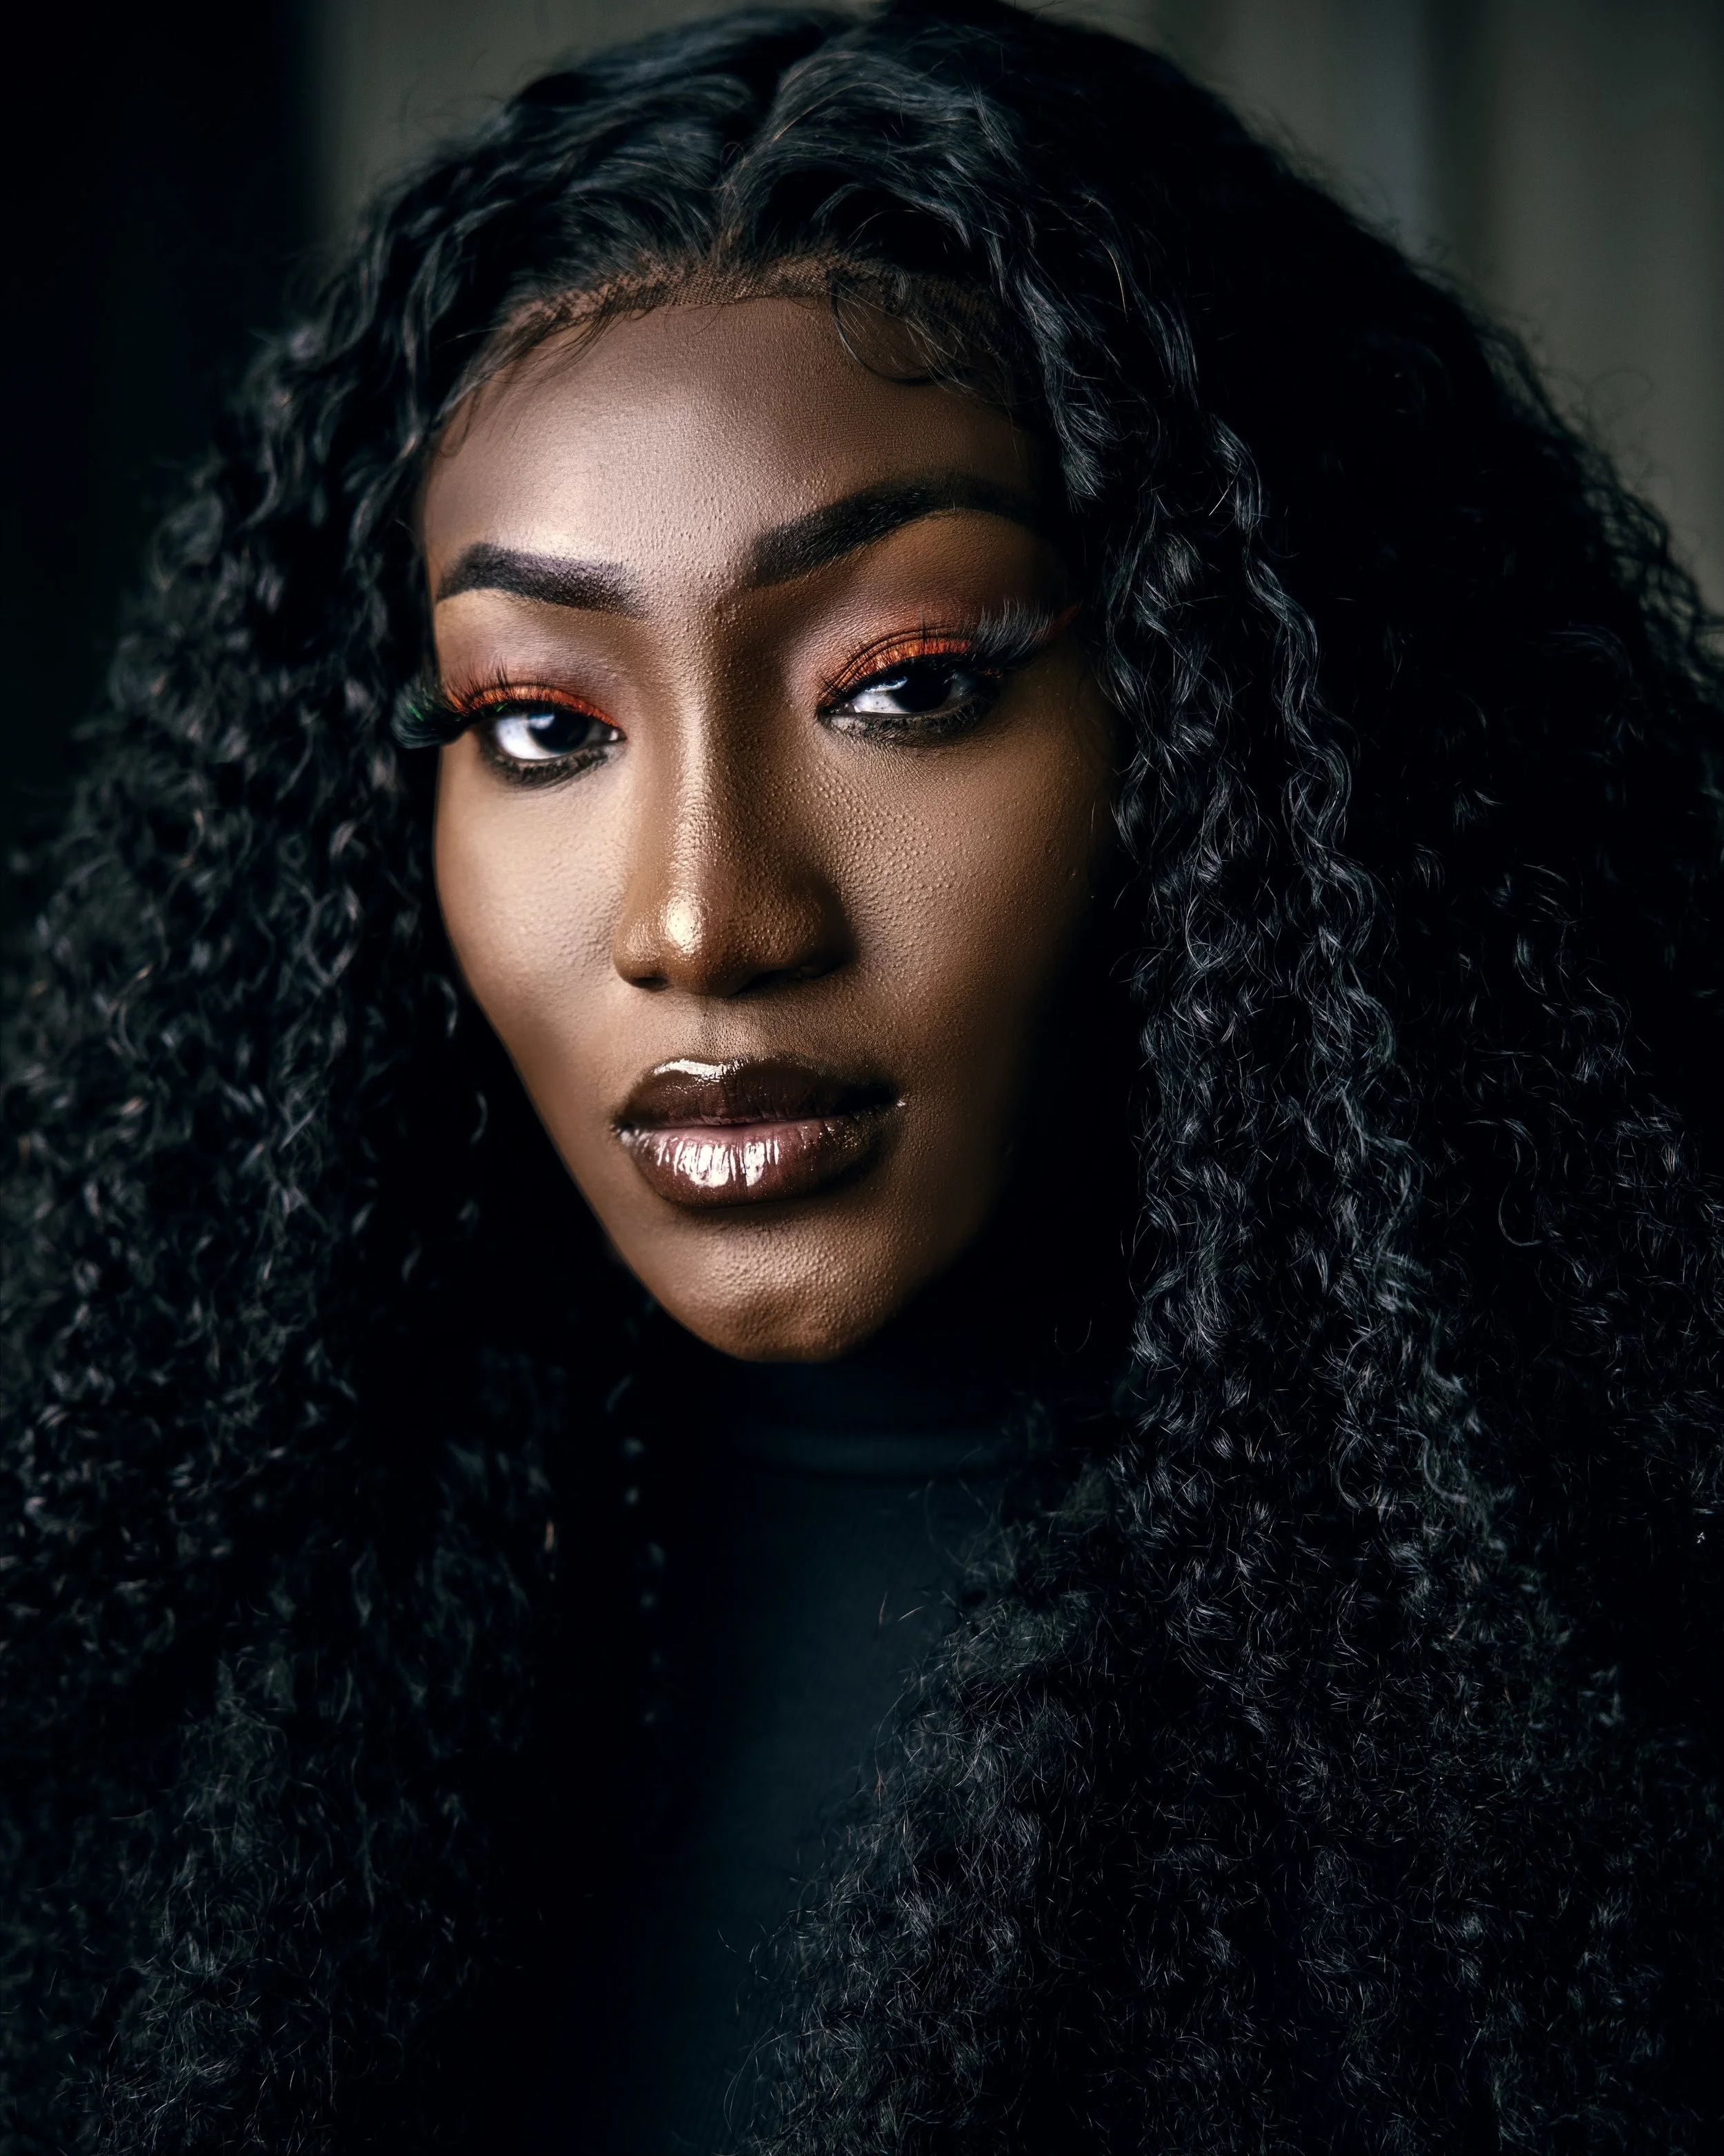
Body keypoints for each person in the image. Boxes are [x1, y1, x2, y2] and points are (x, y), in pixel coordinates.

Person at [3, 2, 1722, 2148]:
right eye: (540, 722)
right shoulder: (148, 1697)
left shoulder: (1616, 1705)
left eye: (903, 686)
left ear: (1230, 723)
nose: (705, 920)